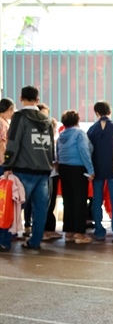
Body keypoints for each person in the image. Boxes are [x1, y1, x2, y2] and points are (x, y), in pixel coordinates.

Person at [2, 85, 53, 250]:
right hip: (44, 171)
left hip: (23, 170)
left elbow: (13, 142)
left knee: (15, 206)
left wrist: (8, 164)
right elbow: (51, 145)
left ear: (20, 98)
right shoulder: (46, 119)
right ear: (38, 100)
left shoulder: (19, 117)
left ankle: (4, 241)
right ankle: (35, 241)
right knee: (40, 209)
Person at [57, 110, 95, 244]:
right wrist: (90, 170)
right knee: (80, 201)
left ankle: (69, 232)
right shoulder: (79, 133)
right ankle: (79, 234)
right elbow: (84, 151)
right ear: (77, 121)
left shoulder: (61, 134)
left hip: (63, 168)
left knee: (68, 201)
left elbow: (57, 152)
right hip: (78, 169)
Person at [87, 101, 113, 241]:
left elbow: (88, 150)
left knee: (97, 200)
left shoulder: (91, 129)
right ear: (110, 112)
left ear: (97, 113)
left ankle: (99, 230)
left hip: (97, 170)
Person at [38, 104, 62, 241]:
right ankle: (43, 231)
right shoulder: (43, 139)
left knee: (50, 203)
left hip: (52, 174)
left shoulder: (53, 140)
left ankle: (48, 229)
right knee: (45, 203)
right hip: (48, 174)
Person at [0, 98, 16, 251]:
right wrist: (7, 165)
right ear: (9, 109)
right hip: (1, 168)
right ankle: (4, 240)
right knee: (4, 204)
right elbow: (2, 146)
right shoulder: (2, 123)